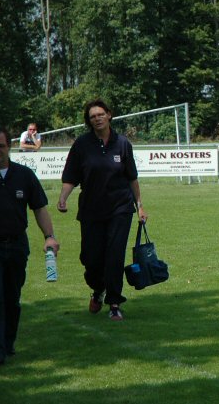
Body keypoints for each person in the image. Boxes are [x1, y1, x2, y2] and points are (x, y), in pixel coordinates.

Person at [57, 99, 147, 321]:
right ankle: (98, 289)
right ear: (89, 121)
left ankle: (114, 303)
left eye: (100, 114)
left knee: (115, 256)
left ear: (109, 115)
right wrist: (63, 198)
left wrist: (140, 206)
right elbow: (70, 176)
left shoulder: (123, 144)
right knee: (91, 258)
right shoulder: (82, 145)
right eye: (92, 116)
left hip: (120, 208)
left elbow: (132, 178)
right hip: (91, 210)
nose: (96, 118)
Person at [0, 126, 60, 367]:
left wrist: (49, 236)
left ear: (9, 146)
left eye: (0, 146)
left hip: (17, 246)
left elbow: (39, 208)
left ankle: (7, 342)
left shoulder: (24, 175)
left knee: (11, 297)